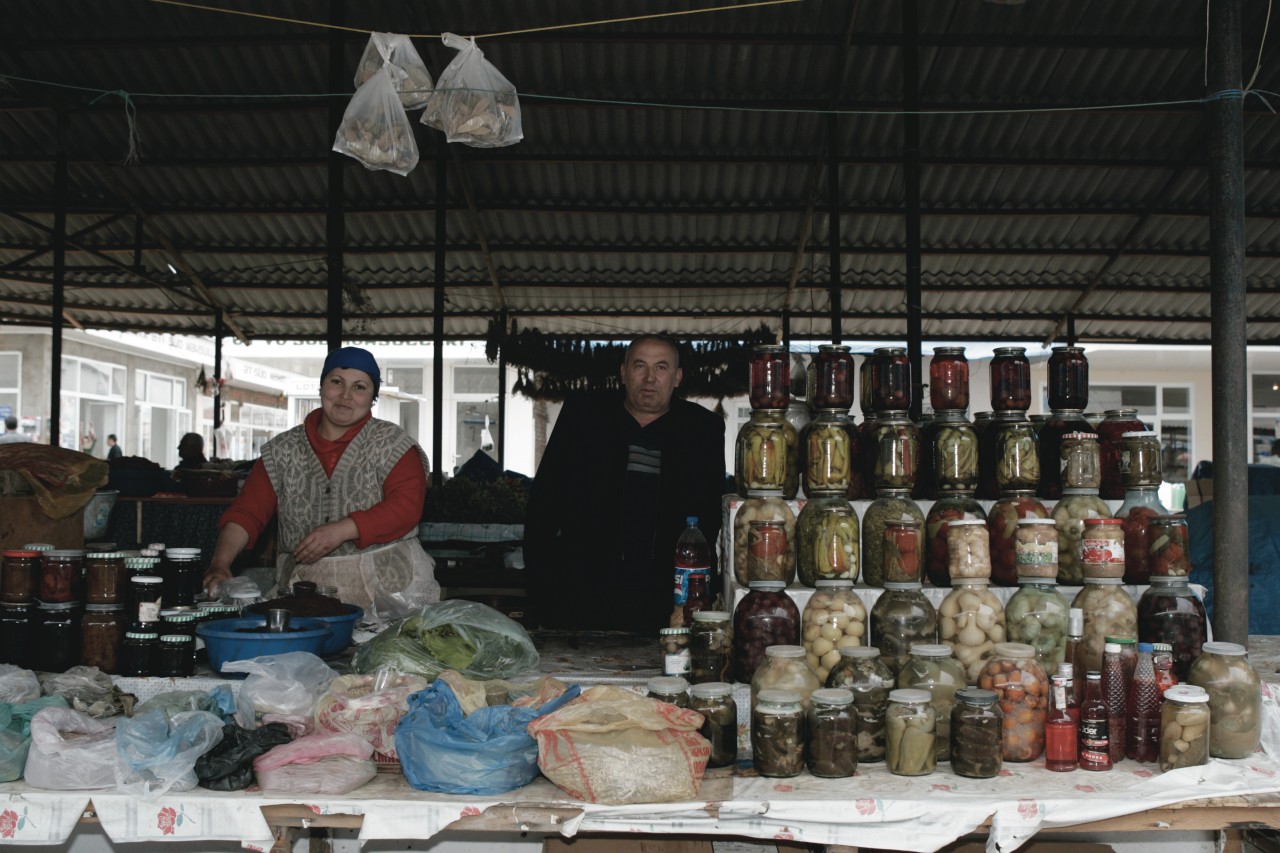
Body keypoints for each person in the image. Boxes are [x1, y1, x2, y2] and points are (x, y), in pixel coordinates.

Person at [202, 346, 440, 620]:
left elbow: (406, 507)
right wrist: (221, 563)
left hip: (391, 595)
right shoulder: (282, 450)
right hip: (306, 595)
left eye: (360, 387)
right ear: (321, 386)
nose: (345, 396)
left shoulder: (394, 445)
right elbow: (247, 512)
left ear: (372, 398)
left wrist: (342, 530)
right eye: (336, 382)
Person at [524, 335, 726, 632]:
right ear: (623, 372)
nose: (649, 378)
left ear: (677, 377)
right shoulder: (584, 418)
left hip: (665, 599)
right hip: (584, 594)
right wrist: (543, 593)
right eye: (639, 366)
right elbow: (543, 507)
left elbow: (710, 517)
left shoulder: (702, 430)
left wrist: (697, 595)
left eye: (661, 367)